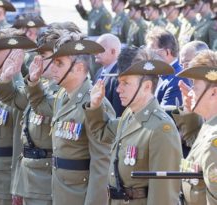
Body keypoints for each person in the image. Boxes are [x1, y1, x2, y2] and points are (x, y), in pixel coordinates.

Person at [85, 48, 182, 204]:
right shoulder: (129, 115)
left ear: (147, 86)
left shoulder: (162, 128)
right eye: (119, 82)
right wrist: (95, 107)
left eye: (126, 83)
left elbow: (163, 195)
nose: (118, 89)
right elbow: (103, 132)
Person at [27, 31, 115, 205]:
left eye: (59, 63)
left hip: (80, 195)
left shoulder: (95, 104)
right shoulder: (63, 96)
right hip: (61, 191)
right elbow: (40, 105)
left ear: (79, 68)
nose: (52, 68)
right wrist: (33, 82)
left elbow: (102, 162)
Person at [0, 28, 36, 205]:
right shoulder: (1, 87)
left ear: (13, 57)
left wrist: (16, 186)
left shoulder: (17, 90)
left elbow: (19, 145)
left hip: (8, 180)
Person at [173, 50, 217, 204]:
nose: (191, 93)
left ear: (213, 93)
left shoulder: (214, 139)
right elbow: (194, 142)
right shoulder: (208, 125)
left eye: (196, 88)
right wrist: (190, 112)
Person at [145, 27, 190, 107]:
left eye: (151, 52)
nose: (148, 56)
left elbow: (165, 116)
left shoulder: (178, 78)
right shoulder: (157, 74)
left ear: (167, 52)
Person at [95, 33, 125, 117]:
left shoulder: (119, 76)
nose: (95, 52)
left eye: (99, 48)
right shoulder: (99, 72)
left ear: (113, 51)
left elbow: (117, 112)